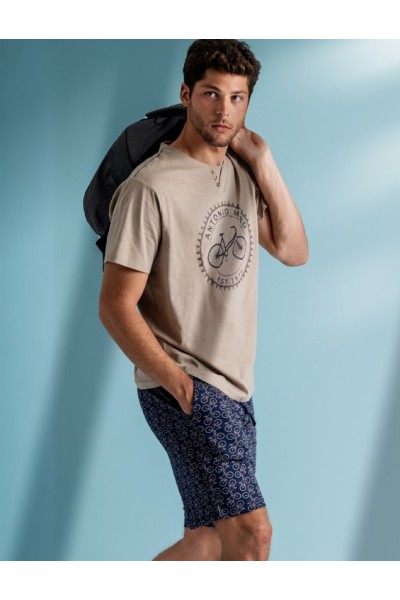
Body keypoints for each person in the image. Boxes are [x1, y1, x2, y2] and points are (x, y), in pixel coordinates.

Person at [98, 39, 308, 561]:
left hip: (236, 387)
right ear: (186, 94)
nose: (224, 110)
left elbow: (293, 250)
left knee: (207, 540)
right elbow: (115, 305)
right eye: (212, 94)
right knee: (253, 536)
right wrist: (181, 386)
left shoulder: (240, 172)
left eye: (237, 98)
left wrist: (264, 160)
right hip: (189, 386)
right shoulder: (150, 188)